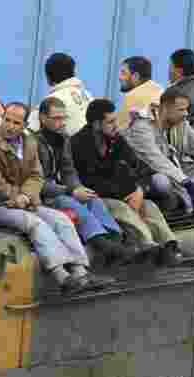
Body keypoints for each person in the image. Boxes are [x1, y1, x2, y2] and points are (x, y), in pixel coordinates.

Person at [0, 102, 111, 294]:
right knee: (35, 224)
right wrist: (18, 197)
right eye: (7, 120)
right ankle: (62, 278)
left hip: (26, 201)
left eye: (16, 122)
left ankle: (80, 273)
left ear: (24, 126)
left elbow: (36, 176)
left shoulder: (29, 143)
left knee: (61, 219)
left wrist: (25, 195)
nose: (10, 126)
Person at [71, 99, 194, 267]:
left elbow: (142, 168)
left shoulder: (116, 139)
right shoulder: (78, 144)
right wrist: (127, 193)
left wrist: (139, 189)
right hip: (98, 198)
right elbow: (90, 182)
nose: (116, 126)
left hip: (124, 193)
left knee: (149, 206)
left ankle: (172, 247)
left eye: (116, 120)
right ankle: (150, 247)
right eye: (110, 122)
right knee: (122, 208)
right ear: (96, 125)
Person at [34, 96, 138, 267]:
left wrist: (78, 187)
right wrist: (71, 191)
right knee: (69, 201)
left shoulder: (64, 138)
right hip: (45, 195)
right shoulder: (35, 142)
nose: (61, 123)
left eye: (63, 118)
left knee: (92, 198)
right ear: (43, 118)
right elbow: (38, 182)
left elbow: (69, 170)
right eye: (56, 118)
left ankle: (116, 239)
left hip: (62, 188)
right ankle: (103, 245)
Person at [123, 85, 194, 214]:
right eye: (181, 109)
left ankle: (180, 199)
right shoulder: (141, 127)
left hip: (177, 174)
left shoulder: (180, 124)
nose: (186, 114)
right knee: (162, 182)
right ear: (165, 108)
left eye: (186, 109)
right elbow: (157, 161)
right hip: (147, 177)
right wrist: (186, 182)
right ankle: (187, 197)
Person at [27, 52, 93, 136]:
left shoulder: (51, 102)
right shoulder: (88, 95)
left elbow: (28, 132)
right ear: (74, 73)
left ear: (48, 78)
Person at [117, 56, 164, 130]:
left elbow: (119, 129)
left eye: (123, 73)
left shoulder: (133, 96)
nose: (120, 77)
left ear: (135, 76)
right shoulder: (161, 91)